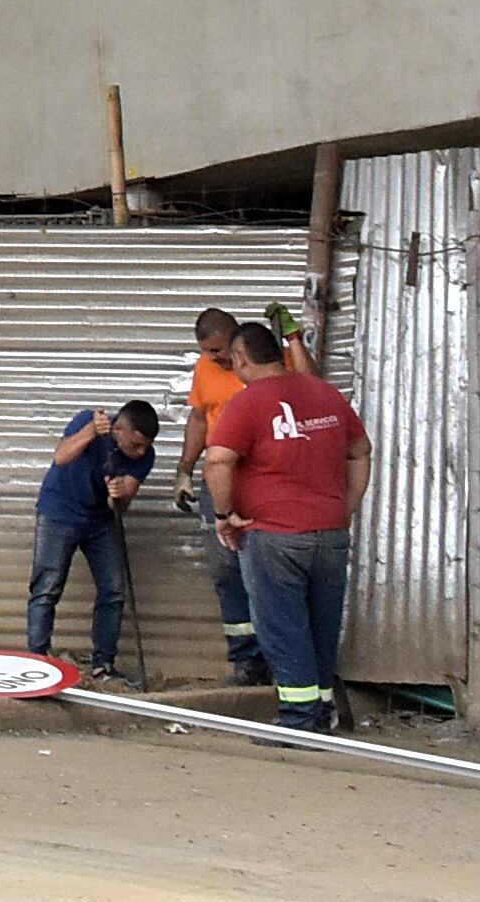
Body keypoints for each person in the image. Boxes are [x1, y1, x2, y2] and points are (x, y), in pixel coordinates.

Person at [202, 319, 373, 732]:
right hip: (330, 534)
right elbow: (361, 451)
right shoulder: (326, 393)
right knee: (322, 624)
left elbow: (218, 460)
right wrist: (345, 508)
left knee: (283, 627)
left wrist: (225, 515)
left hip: (274, 536)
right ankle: (324, 713)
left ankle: (299, 720)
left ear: (241, 358)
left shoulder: (248, 402)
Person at [27, 398, 159, 679]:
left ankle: (103, 664)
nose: (141, 451)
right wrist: (90, 432)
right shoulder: (87, 420)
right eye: (135, 444)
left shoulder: (145, 457)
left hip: (100, 520)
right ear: (118, 430)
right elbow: (61, 456)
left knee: (113, 589)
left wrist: (119, 495)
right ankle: (37, 659)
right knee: (47, 586)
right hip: (59, 512)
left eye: (146, 445)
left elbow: (121, 508)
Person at [172, 306, 268, 687]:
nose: (214, 358)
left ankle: (278, 656)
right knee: (226, 572)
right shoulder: (205, 369)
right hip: (218, 480)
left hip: (258, 478)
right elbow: (199, 419)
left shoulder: (260, 366)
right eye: (208, 352)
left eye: (218, 350)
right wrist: (184, 470)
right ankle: (246, 662)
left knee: (267, 568)